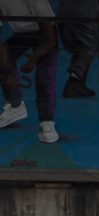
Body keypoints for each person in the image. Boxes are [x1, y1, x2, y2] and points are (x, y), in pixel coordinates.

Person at [0, 0, 58, 143]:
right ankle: (16, 106)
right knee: (2, 59)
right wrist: (8, 71)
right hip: (23, 34)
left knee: (44, 76)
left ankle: (47, 123)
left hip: (46, 33)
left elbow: (50, 40)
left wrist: (32, 61)